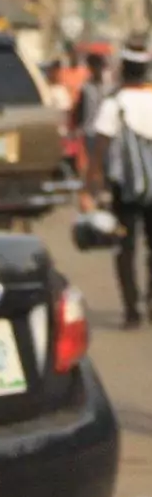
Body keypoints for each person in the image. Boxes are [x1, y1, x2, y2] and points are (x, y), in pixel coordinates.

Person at [83, 41, 152, 328]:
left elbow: (99, 151)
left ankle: (131, 310)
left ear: (123, 69)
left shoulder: (114, 104)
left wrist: (89, 188)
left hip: (125, 189)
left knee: (125, 248)